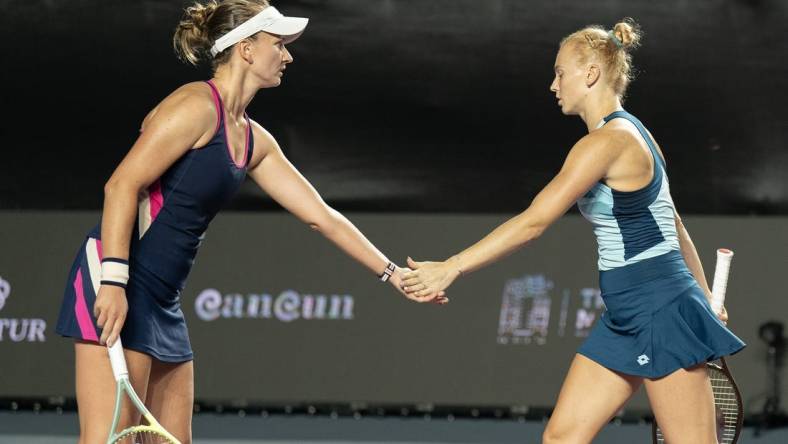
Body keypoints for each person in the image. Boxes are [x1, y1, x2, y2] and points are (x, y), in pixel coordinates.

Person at [55, 1, 443, 442]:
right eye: (278, 44)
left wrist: (392, 274)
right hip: (118, 279)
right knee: (111, 438)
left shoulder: (254, 139)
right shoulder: (193, 107)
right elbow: (120, 186)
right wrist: (113, 282)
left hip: (163, 299)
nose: (288, 55)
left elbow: (322, 217)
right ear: (245, 49)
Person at [401, 18, 745, 444]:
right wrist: (704, 293)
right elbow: (673, 225)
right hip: (627, 311)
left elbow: (534, 222)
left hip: (661, 307)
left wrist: (452, 267)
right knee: (561, 438)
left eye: (560, 72)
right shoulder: (632, 133)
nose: (553, 84)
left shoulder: (607, 143)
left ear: (590, 73)